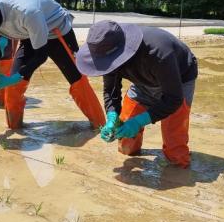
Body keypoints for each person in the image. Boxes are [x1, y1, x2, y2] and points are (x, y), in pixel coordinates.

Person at [0, 0, 105, 130]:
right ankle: (15, 128)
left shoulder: (26, 11)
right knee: (13, 89)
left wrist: (16, 76)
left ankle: (101, 127)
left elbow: (41, 55)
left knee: (77, 80)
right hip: (28, 33)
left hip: (55, 31)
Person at [76, 21, 198, 168]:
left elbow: (173, 98)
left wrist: (139, 121)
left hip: (179, 80)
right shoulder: (105, 52)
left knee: (175, 151)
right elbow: (111, 89)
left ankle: (179, 169)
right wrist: (112, 115)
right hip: (142, 84)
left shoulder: (158, 52)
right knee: (126, 145)